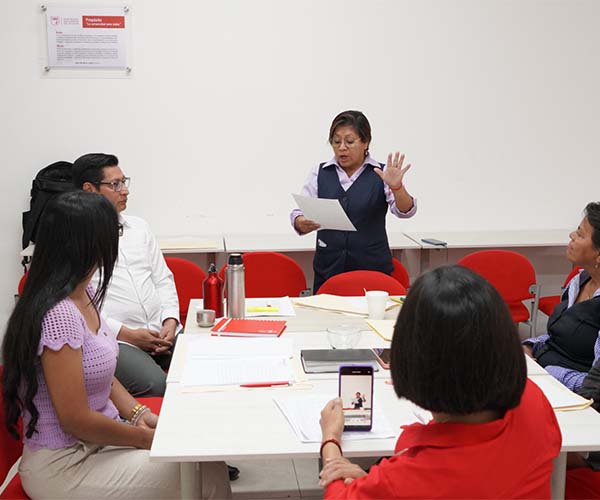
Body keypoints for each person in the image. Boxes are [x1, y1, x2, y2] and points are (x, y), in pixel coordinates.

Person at [1, 191, 231, 499]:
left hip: (96, 446)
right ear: (87, 243)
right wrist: (144, 439)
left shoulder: (86, 291)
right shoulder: (60, 314)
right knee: (204, 474)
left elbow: (99, 371)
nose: (116, 242)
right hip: (65, 464)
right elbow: (76, 420)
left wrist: (138, 414)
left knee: (203, 463)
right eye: (112, 233)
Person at [318, 265, 561, 499]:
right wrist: (373, 483)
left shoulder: (408, 478)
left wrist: (331, 442)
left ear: (411, 361)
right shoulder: (533, 399)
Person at [72, 153, 177, 398]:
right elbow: (79, 307)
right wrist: (128, 334)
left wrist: (170, 320)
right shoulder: (76, 239)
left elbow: (162, 279)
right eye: (115, 184)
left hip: (161, 331)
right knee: (157, 385)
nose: (125, 191)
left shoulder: (139, 227)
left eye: (124, 181)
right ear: (90, 190)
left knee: (202, 364)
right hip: (116, 339)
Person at [290, 110, 416, 293]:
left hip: (372, 271)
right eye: (336, 141)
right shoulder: (320, 172)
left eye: (349, 141)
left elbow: (405, 211)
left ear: (365, 143)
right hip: (329, 271)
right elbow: (298, 211)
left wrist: (397, 188)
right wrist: (300, 222)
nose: (342, 147)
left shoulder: (381, 173)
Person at [523, 202, 600, 391]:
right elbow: (557, 336)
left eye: (580, 234)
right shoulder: (579, 281)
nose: (572, 236)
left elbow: (594, 386)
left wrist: (548, 372)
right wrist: (530, 347)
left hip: (572, 396)